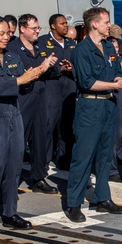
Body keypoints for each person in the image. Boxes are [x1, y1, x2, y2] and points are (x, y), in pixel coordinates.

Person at [0, 15, 52, 237]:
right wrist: (21, 80)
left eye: (8, 34)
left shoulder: (13, 56)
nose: (6, 37)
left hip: (14, 115)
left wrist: (33, 76)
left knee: (13, 168)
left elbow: (22, 84)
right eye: (1, 33)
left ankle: (9, 212)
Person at [65, 7, 122, 223]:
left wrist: (119, 79)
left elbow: (114, 70)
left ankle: (103, 197)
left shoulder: (108, 47)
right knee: (83, 157)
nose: (109, 25)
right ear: (94, 24)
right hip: (90, 107)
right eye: (106, 22)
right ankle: (73, 203)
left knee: (106, 155)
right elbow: (87, 82)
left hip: (108, 106)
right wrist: (115, 86)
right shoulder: (81, 51)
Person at [10, 13, 55, 193]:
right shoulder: (13, 49)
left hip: (40, 96)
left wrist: (51, 66)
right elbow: (22, 74)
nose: (37, 31)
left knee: (40, 138)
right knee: (18, 141)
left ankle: (38, 177)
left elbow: (51, 70)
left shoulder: (40, 46)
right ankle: (11, 179)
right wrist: (43, 67)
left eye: (38, 28)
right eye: (33, 28)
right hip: (23, 97)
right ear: (23, 29)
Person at [37, 13, 76, 170]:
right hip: (52, 87)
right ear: (53, 26)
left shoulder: (71, 43)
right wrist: (59, 68)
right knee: (49, 125)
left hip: (69, 87)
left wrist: (71, 68)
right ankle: (44, 162)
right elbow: (41, 67)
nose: (65, 26)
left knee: (68, 125)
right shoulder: (42, 43)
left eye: (66, 23)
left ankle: (64, 158)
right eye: (62, 23)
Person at [106, 24, 122, 183]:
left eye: (116, 46)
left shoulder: (118, 58)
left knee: (119, 131)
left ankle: (114, 158)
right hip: (108, 95)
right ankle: (111, 169)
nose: (115, 49)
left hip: (118, 96)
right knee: (110, 132)